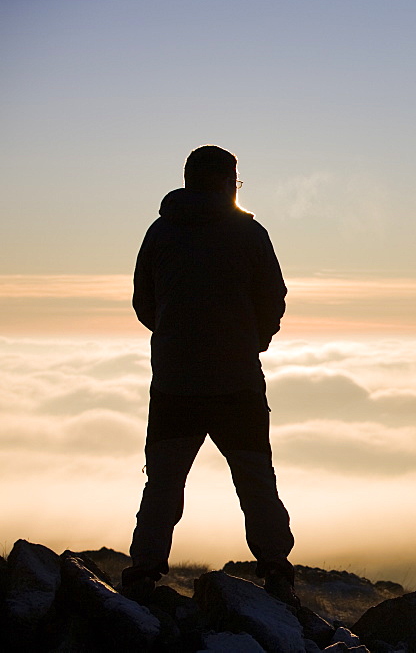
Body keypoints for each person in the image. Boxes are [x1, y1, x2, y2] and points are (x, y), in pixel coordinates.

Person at [122, 145, 296, 605]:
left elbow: (144, 302)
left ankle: (143, 572)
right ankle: (276, 569)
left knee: (162, 482)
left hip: (174, 383)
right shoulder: (249, 233)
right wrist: (251, 341)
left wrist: (178, 338)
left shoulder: (160, 232)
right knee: (256, 477)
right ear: (227, 182)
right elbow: (273, 297)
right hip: (237, 382)